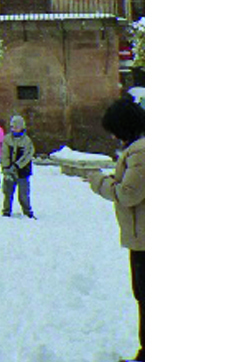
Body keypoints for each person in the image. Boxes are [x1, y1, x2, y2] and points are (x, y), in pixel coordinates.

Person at [83, 96, 146, 361]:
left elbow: (130, 193)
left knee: (147, 297)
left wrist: (99, 182)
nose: (113, 138)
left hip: (146, 239)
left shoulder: (141, 151)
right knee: (144, 296)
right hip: (141, 237)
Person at [1, 113, 36, 218]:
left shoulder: (27, 141)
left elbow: (27, 155)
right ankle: (6, 211)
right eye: (12, 126)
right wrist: (6, 167)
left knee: (23, 194)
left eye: (16, 126)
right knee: (7, 192)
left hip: (23, 171)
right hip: (9, 170)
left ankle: (27, 211)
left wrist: (17, 165)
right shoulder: (7, 139)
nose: (14, 128)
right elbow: (4, 154)